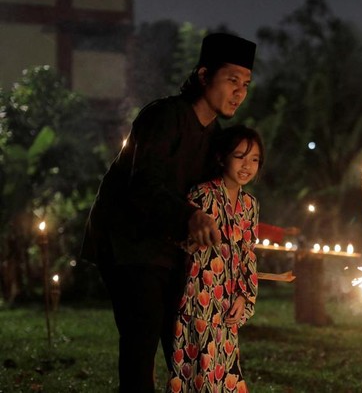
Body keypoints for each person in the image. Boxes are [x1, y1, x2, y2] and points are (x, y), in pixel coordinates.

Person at [80, 33, 256, 392]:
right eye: (232, 80)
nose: (240, 92)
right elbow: (143, 183)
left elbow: (215, 196)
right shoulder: (163, 116)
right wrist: (189, 217)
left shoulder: (215, 136)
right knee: (141, 336)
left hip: (173, 250)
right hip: (130, 243)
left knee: (182, 340)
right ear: (205, 76)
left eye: (246, 84)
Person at [168, 125, 262, 393]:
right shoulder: (202, 194)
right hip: (199, 297)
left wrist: (244, 296)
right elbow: (181, 241)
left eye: (254, 159)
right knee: (198, 371)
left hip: (229, 302)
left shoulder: (249, 205)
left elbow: (247, 253)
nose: (247, 166)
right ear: (222, 158)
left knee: (226, 370)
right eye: (239, 156)